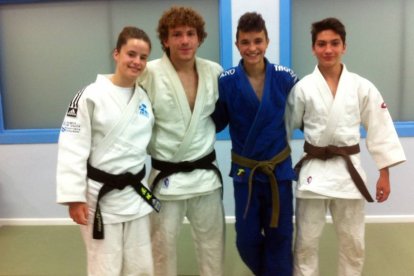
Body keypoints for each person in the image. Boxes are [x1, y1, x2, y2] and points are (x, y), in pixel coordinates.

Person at [286, 17, 406, 276]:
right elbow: (285, 128)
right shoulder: (303, 88)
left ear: (344, 46)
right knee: (305, 245)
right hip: (313, 174)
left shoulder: (362, 87)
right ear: (313, 48)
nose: (328, 49)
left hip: (348, 173)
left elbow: (379, 126)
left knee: (353, 245)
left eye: (334, 43)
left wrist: (384, 173)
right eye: (321, 44)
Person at [56, 26, 159, 276]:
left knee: (141, 264)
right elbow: (72, 146)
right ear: (117, 53)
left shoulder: (143, 98)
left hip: (135, 194)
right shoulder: (89, 96)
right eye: (131, 54)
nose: (137, 62)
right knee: (105, 266)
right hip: (100, 196)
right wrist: (74, 197)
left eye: (143, 57)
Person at [138, 6, 225, 276]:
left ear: (200, 38)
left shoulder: (214, 72)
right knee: (161, 249)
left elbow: (222, 116)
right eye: (177, 34)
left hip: (205, 179)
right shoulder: (148, 73)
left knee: (213, 247)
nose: (185, 40)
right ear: (165, 40)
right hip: (166, 180)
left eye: (191, 34)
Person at [212, 12, 298, 276]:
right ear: (237, 44)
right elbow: (215, 122)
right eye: (246, 42)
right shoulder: (226, 81)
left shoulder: (285, 78)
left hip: (278, 171)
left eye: (258, 41)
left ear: (267, 41)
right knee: (246, 240)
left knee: (280, 236)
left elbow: (306, 115)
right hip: (245, 173)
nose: (252, 48)